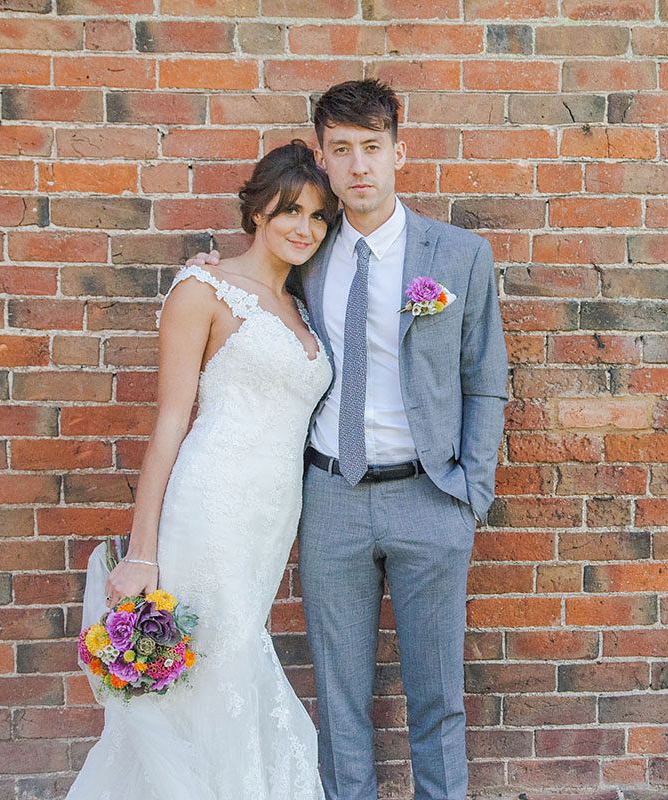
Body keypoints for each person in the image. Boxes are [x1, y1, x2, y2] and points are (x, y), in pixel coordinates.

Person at [186, 79, 508, 800]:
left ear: (399, 150)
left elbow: (486, 382)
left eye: (372, 148)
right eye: (342, 150)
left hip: (431, 497)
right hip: (331, 497)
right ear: (324, 161)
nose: (359, 165)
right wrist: (210, 271)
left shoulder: (458, 256)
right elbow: (251, 288)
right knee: (340, 702)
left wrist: (468, 495)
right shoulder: (308, 250)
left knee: (439, 699)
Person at [66, 140, 338, 799]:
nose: (304, 228)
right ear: (257, 214)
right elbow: (169, 423)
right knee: (208, 673)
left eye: (319, 217)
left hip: (270, 522)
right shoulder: (204, 288)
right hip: (210, 508)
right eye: (289, 211)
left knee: (227, 663)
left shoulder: (306, 304)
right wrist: (140, 553)